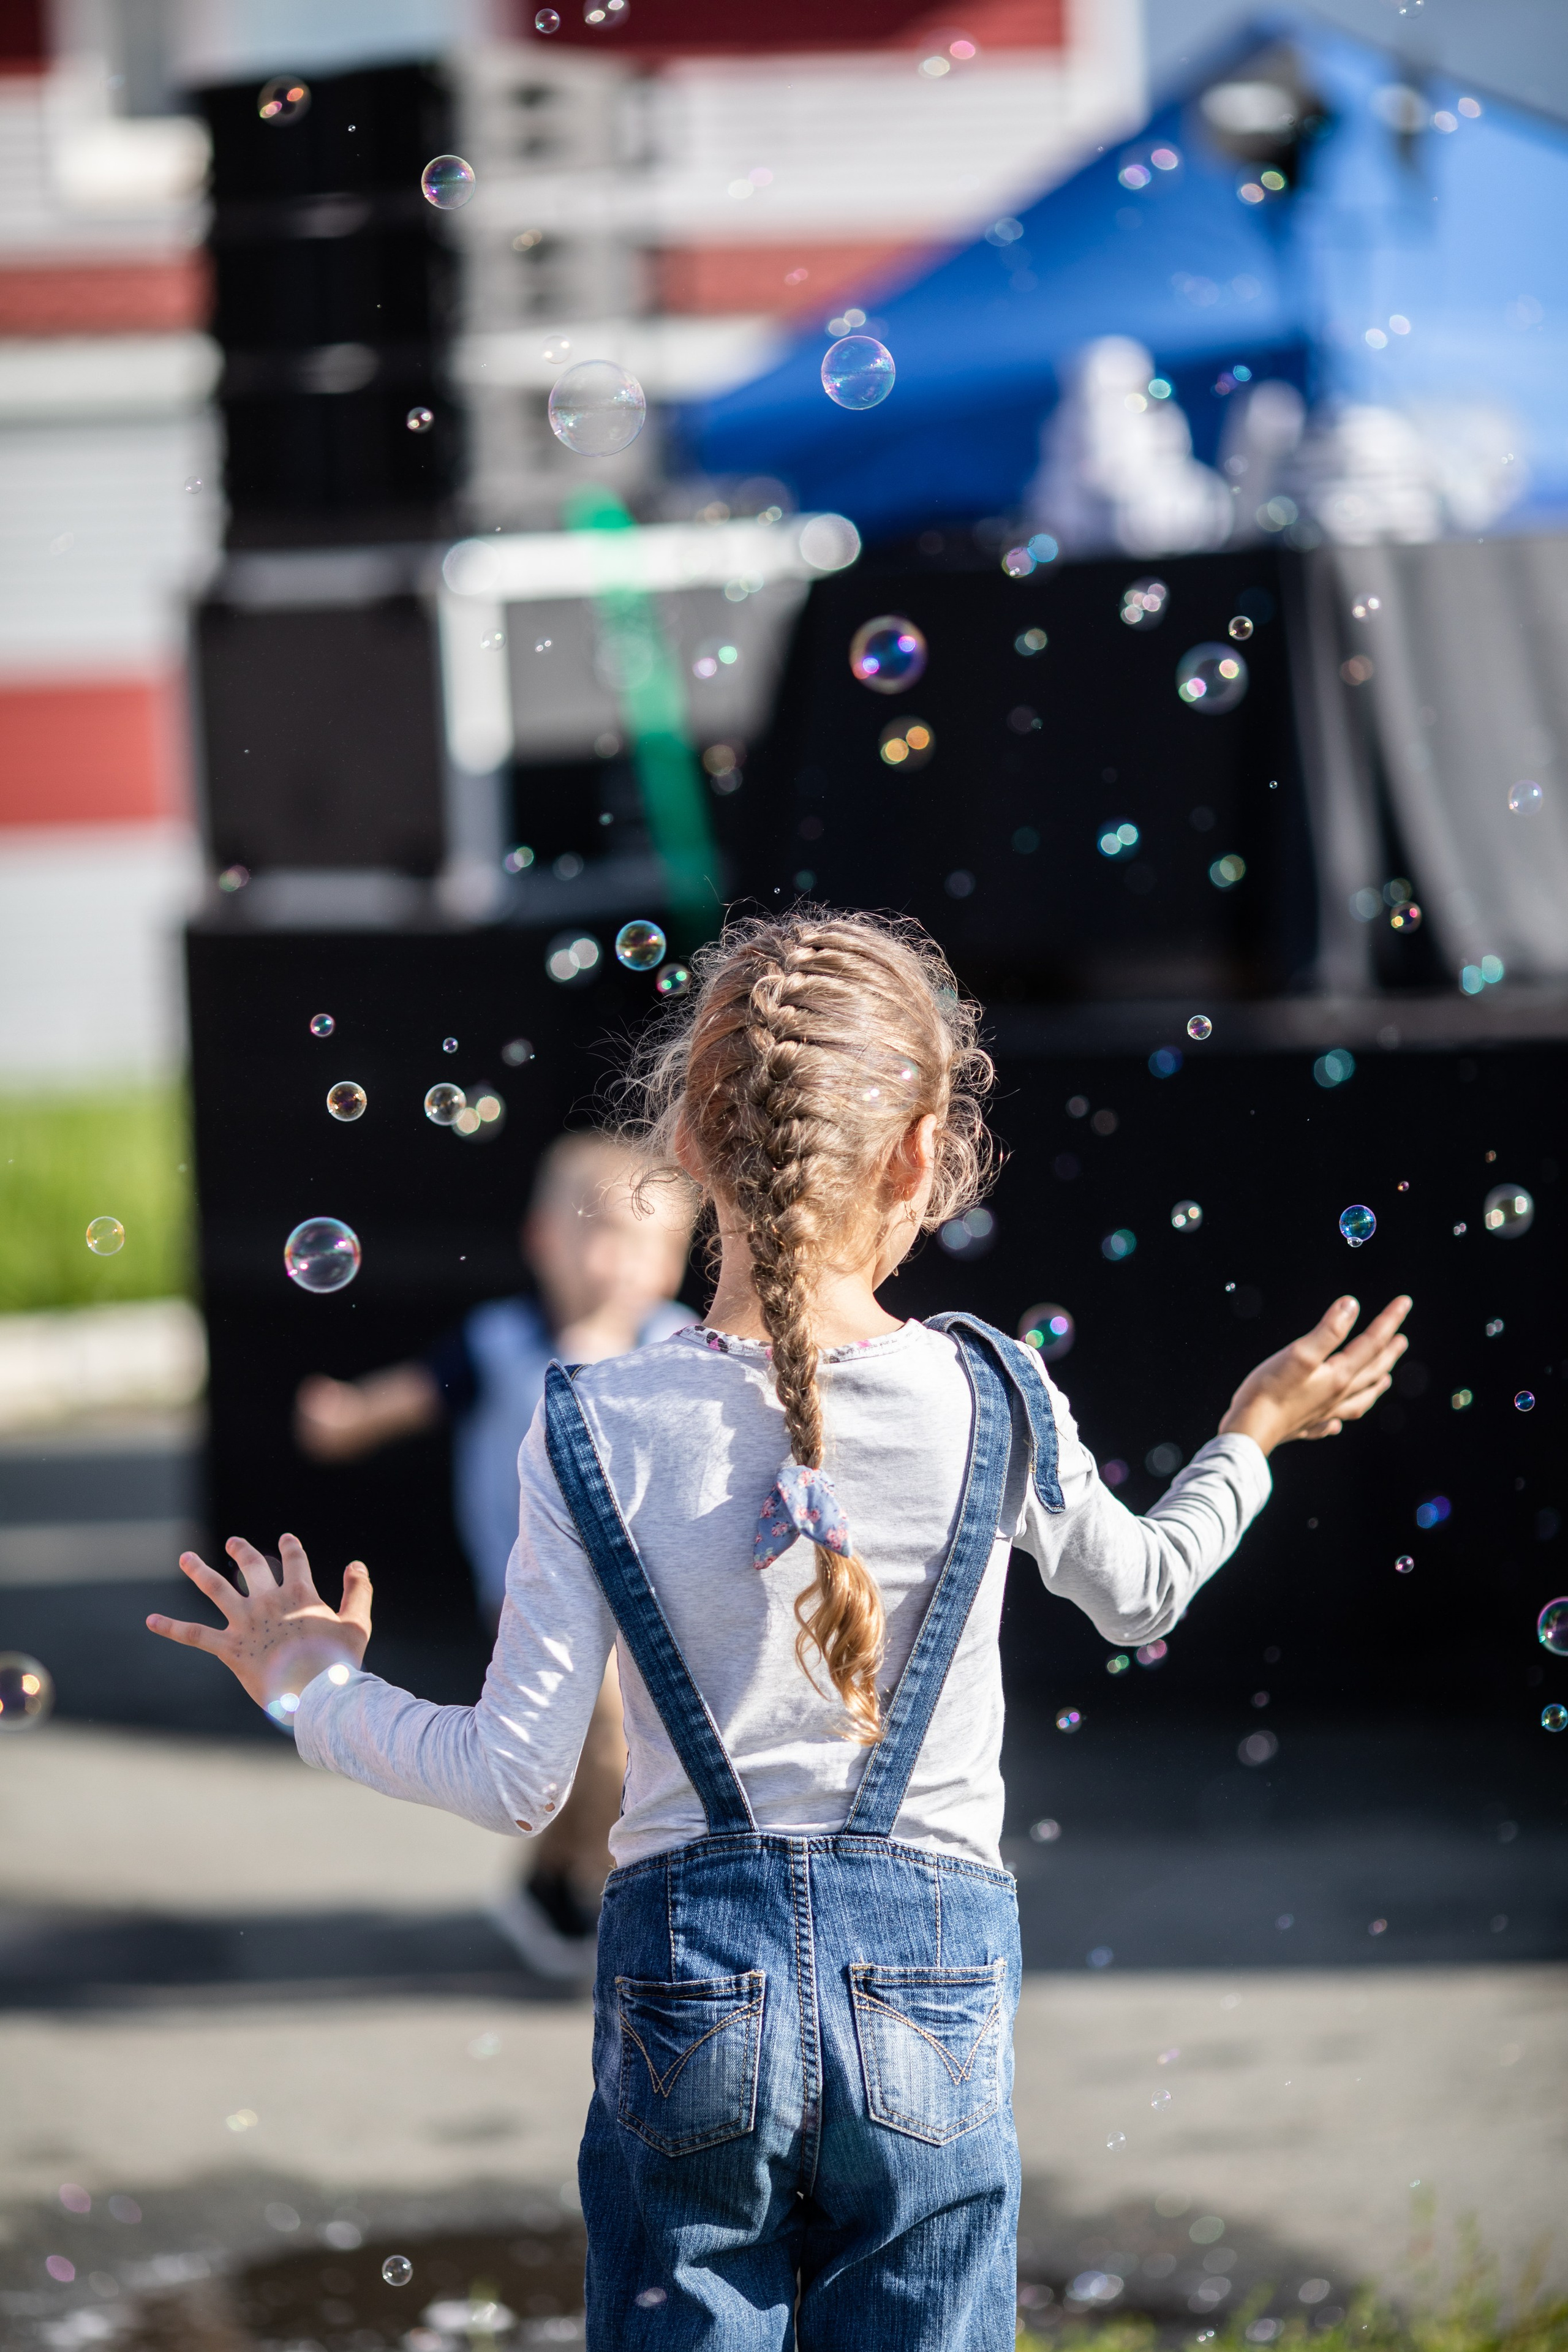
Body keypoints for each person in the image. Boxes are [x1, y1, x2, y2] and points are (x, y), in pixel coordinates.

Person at [150, 909, 1411, 2350]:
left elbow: (511, 1777)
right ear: (921, 1154)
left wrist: (311, 1686)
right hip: (933, 1983)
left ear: (686, 1142)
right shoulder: (992, 1392)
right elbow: (1144, 1592)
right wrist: (1250, 1434)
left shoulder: (590, 1424)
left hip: (684, 1981)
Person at [292, 1131, 696, 1978]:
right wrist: (350, 1416)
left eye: (648, 1242)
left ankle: (563, 1878)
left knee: (610, 1748)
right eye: (603, 1234)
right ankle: (579, 1884)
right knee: (582, 1740)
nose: (621, 1261)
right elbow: (411, 1397)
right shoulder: (499, 1342)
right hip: (529, 1592)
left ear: (673, 1262)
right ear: (545, 1241)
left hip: (650, 1595)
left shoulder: (678, 1343)